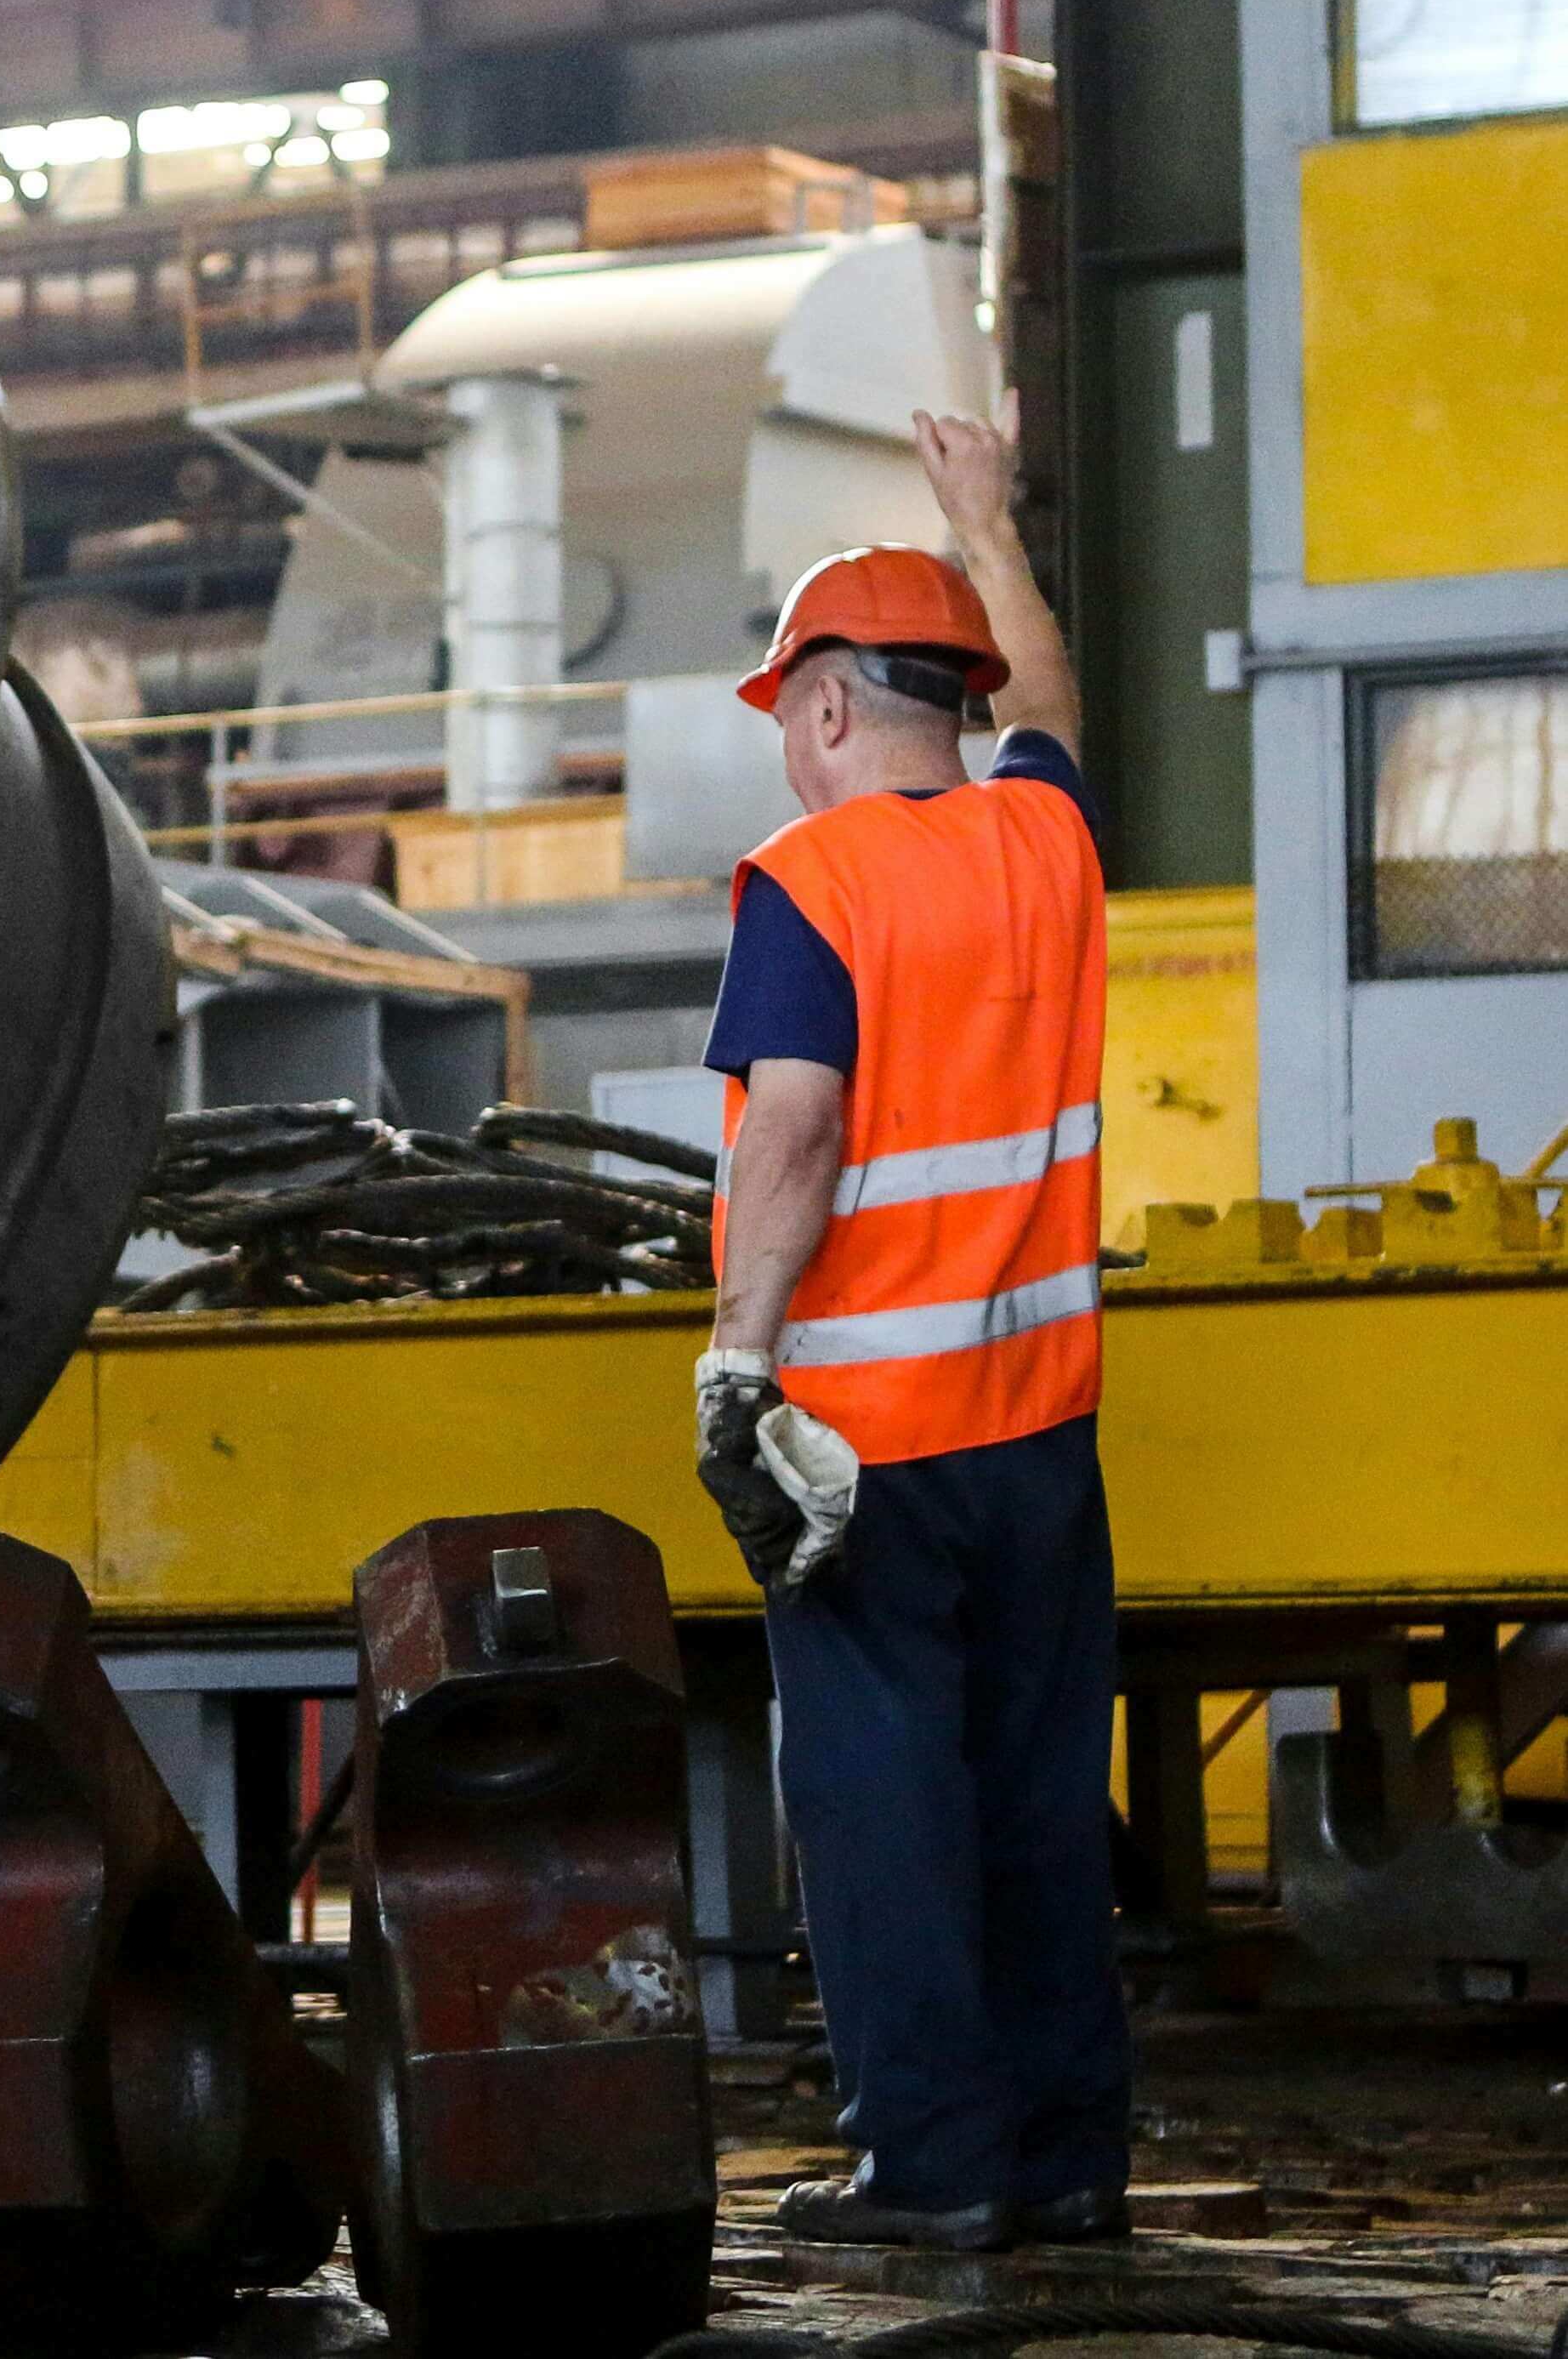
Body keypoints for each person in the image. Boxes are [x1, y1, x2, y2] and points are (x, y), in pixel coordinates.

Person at [693, 408, 1129, 2254]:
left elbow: (792, 1128)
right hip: (1042, 1426)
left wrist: (740, 1357)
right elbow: (1059, 707)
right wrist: (989, 520)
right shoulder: (1050, 843)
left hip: (866, 1447)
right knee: (1038, 1801)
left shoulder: (818, 884)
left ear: (826, 711)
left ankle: (933, 2171)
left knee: (882, 1815)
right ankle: (1065, 2167)